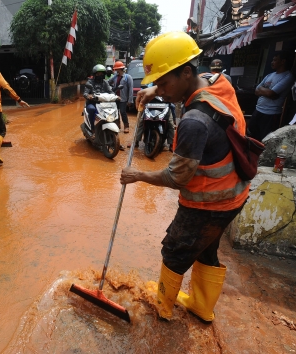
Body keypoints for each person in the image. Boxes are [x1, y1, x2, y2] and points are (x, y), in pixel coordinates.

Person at [123, 32, 249, 322]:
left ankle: (163, 307)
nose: (161, 89)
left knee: (176, 250)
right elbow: (203, 76)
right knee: (206, 249)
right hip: (235, 193)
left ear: (187, 73)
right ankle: (202, 307)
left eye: (164, 82)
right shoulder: (218, 82)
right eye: (157, 83)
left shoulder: (194, 122)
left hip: (208, 202)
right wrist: (157, 91)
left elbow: (177, 177)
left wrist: (137, 174)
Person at [248, 51, 294, 141]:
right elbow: (256, 91)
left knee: (265, 139)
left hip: (270, 113)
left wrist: (267, 92)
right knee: (251, 134)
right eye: (272, 60)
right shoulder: (270, 75)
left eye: (275, 60)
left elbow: (271, 93)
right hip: (258, 110)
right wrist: (268, 93)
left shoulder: (288, 76)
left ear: (283, 61)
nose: (272, 62)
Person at [83, 64, 115, 140]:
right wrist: (88, 96)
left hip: (104, 103)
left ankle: (115, 131)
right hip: (92, 103)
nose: (100, 75)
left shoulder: (105, 82)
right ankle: (92, 128)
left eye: (102, 73)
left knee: (114, 109)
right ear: (95, 74)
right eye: (98, 74)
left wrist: (115, 96)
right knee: (91, 109)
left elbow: (111, 92)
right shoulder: (90, 82)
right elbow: (85, 93)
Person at [108, 61, 133, 133]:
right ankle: (117, 125)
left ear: (120, 69)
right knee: (115, 113)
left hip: (123, 98)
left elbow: (130, 89)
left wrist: (130, 100)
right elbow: (108, 82)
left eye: (117, 69)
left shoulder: (128, 77)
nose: (116, 71)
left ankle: (126, 126)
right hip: (115, 97)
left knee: (122, 112)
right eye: (115, 69)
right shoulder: (115, 77)